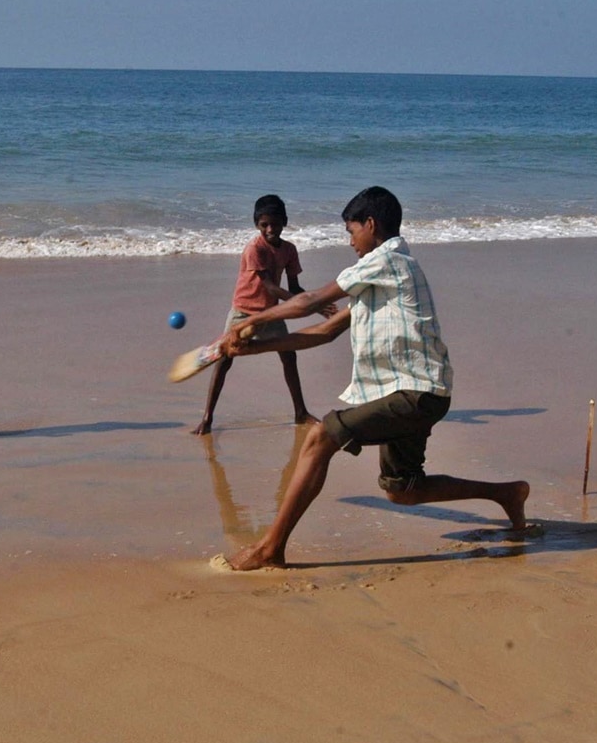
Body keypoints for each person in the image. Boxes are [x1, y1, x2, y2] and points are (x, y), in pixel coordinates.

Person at [215, 186, 530, 570]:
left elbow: (310, 301)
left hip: (416, 392)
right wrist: (256, 348)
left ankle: (270, 548)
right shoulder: (381, 278)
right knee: (404, 489)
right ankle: (507, 494)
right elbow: (324, 331)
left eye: (352, 232)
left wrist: (255, 320)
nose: (350, 242)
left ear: (371, 224)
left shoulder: (389, 259)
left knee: (320, 436)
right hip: (414, 392)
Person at [191, 194, 333, 435]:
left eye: (275, 224)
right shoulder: (254, 248)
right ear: (256, 224)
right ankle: (207, 418)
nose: (270, 229)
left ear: (285, 222)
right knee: (225, 360)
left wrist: (318, 303)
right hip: (244, 312)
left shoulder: (289, 250)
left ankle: (300, 412)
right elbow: (269, 286)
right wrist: (307, 305)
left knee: (289, 357)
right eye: (264, 224)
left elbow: (295, 287)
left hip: (272, 312)